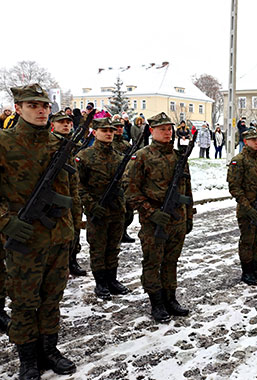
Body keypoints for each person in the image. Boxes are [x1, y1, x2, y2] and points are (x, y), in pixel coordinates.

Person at [0, 84, 80, 378]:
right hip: (24, 238)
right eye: (33, 105)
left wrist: (73, 230)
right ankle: (28, 357)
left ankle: (49, 349)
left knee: (52, 298)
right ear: (18, 108)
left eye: (45, 105)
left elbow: (71, 191)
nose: (41, 110)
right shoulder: (4, 143)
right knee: (24, 301)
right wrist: (5, 222)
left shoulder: (58, 143)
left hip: (58, 236)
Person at [126, 112, 194, 323]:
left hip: (177, 219)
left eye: (169, 128)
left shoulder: (179, 157)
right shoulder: (142, 156)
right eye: (162, 129)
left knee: (171, 261)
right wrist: (150, 212)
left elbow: (187, 189)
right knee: (153, 262)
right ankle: (156, 302)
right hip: (154, 220)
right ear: (152, 131)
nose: (167, 132)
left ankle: (170, 298)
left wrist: (189, 215)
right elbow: (129, 189)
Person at [77, 118, 130, 300]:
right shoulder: (84, 156)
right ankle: (100, 283)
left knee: (114, 246)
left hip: (116, 209)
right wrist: (90, 205)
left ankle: (112, 280)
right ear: (95, 132)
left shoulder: (119, 156)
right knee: (98, 248)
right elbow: (78, 185)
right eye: (104, 130)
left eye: (111, 130)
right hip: (97, 210)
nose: (108, 133)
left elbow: (127, 181)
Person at [227, 129, 257, 285]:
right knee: (247, 240)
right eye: (253, 140)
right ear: (246, 141)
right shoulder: (238, 161)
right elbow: (235, 188)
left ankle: (255, 267)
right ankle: (246, 271)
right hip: (247, 209)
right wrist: (248, 207)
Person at [51, 111, 88, 277]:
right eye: (61, 122)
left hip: (73, 194)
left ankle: (72, 260)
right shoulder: (51, 144)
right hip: (57, 197)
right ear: (53, 125)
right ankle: (61, 264)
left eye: (68, 122)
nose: (66, 124)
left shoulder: (71, 143)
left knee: (76, 229)